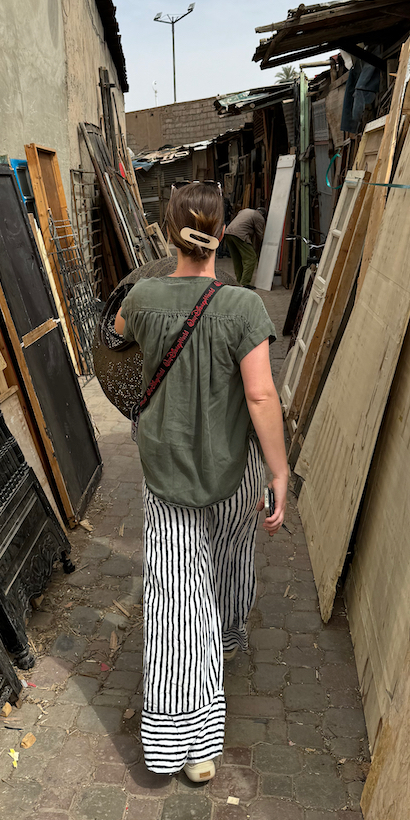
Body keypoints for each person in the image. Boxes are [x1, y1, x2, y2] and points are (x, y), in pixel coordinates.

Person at [114, 182, 290, 785]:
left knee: (178, 603)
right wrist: (279, 471)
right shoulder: (244, 307)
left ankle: (182, 744)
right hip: (233, 467)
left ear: (170, 233)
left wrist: (159, 285)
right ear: (222, 235)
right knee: (233, 556)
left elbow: (115, 334)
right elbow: (260, 395)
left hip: (168, 473)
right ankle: (229, 638)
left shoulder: (143, 297)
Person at [224, 207, 265, 287]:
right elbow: (259, 235)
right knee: (251, 258)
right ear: (263, 214)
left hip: (228, 233)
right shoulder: (259, 217)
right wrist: (259, 247)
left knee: (237, 259)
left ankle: (239, 281)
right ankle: (245, 283)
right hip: (239, 235)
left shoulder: (245, 211)